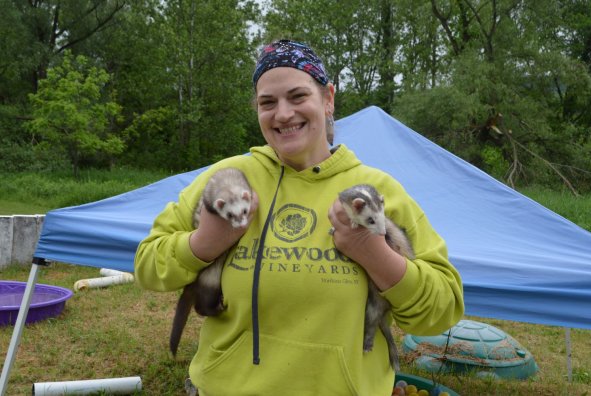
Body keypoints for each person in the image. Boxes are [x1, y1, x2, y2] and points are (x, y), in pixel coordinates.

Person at [134, 39, 464, 396]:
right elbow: (148, 267)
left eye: (297, 96)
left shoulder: (378, 192)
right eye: (267, 103)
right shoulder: (228, 180)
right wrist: (204, 243)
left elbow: (441, 310)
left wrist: (375, 254)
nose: (283, 114)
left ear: (328, 99)